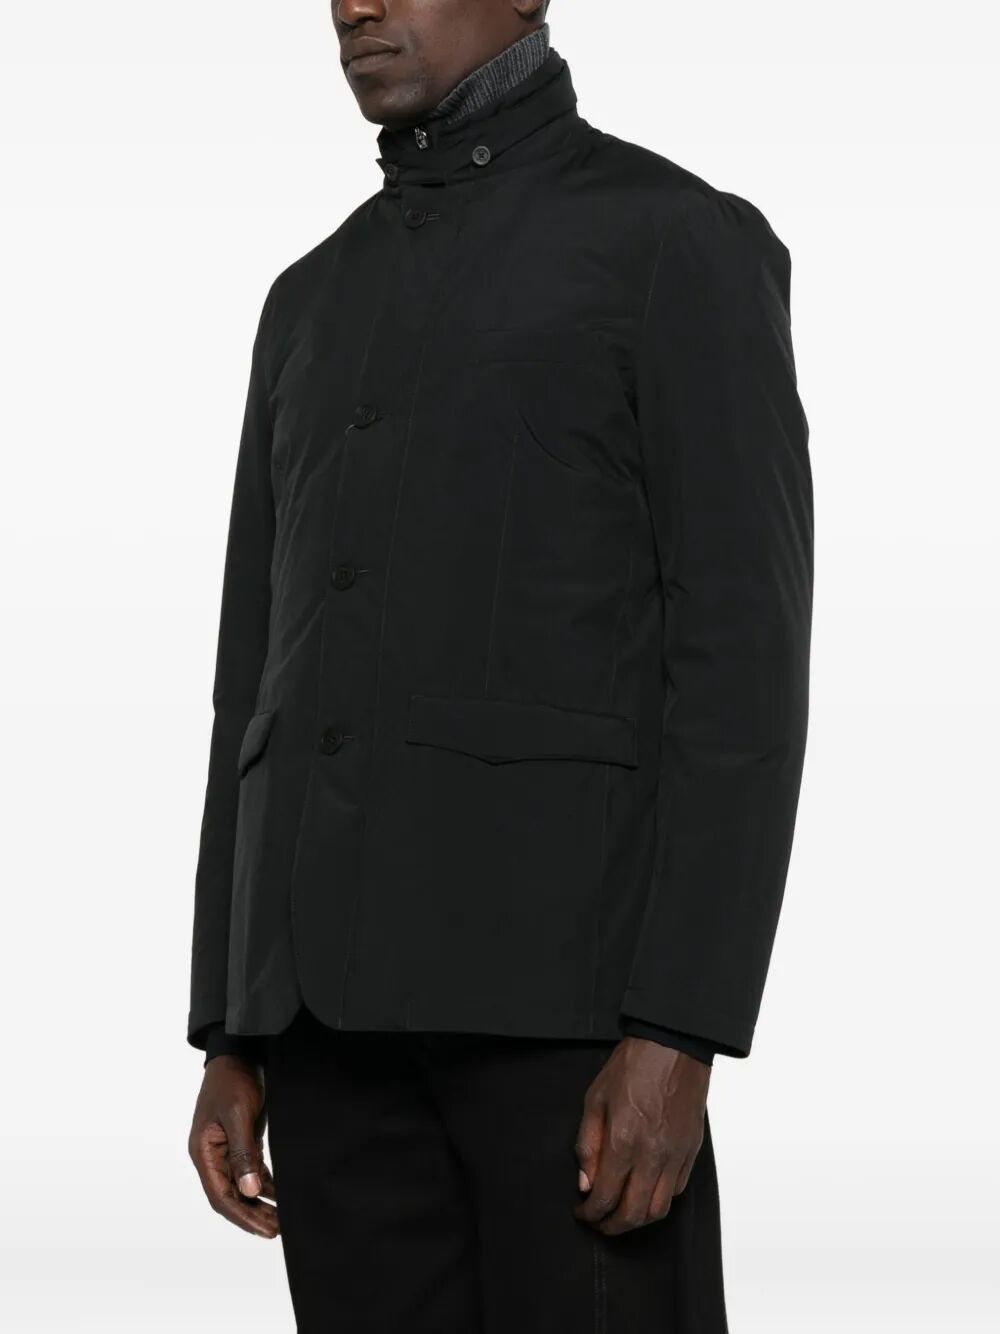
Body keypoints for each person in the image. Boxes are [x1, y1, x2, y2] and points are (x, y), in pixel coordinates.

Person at [186, 3, 813, 1330]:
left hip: (570, 1019)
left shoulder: (672, 241)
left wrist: (681, 1027)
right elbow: (253, 680)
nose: (355, 5)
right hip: (324, 1037)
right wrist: (232, 1024)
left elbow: (743, 664)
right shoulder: (308, 298)